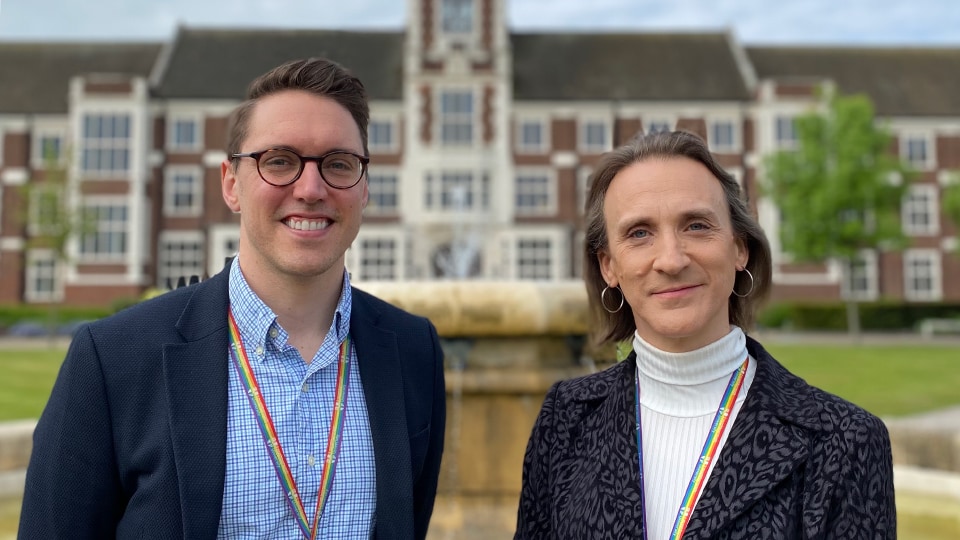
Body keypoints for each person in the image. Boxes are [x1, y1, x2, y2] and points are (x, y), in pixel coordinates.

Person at [19, 57, 446, 540]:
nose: (311, 188)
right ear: (231, 183)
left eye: (338, 164)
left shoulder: (414, 350)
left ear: (365, 187)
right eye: (279, 161)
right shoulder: (111, 358)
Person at [514, 130, 895, 539]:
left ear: (739, 248)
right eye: (639, 233)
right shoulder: (566, 417)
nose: (672, 260)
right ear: (609, 266)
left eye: (696, 226)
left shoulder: (844, 439)